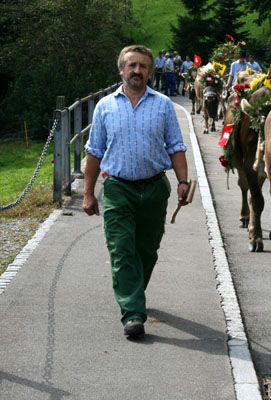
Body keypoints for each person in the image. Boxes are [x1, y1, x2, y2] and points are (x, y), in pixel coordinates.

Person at [82, 44, 189, 338]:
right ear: (121, 70)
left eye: (143, 66)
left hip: (155, 189)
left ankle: (133, 291)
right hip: (117, 188)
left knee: (146, 250)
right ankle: (132, 312)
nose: (137, 71)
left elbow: (176, 147)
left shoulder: (163, 105)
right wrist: (88, 193)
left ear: (150, 71)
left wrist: (183, 181)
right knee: (121, 250)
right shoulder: (105, 106)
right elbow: (94, 152)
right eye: (132, 66)